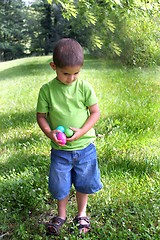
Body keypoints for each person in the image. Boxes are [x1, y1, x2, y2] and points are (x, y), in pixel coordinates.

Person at [36, 38, 103, 236]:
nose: (71, 78)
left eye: (76, 73)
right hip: (61, 151)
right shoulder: (47, 90)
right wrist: (50, 132)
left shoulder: (84, 87)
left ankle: (81, 213)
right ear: (53, 66)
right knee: (60, 184)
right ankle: (61, 215)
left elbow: (95, 112)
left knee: (84, 182)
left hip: (85, 148)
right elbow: (41, 116)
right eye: (66, 73)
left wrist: (82, 131)